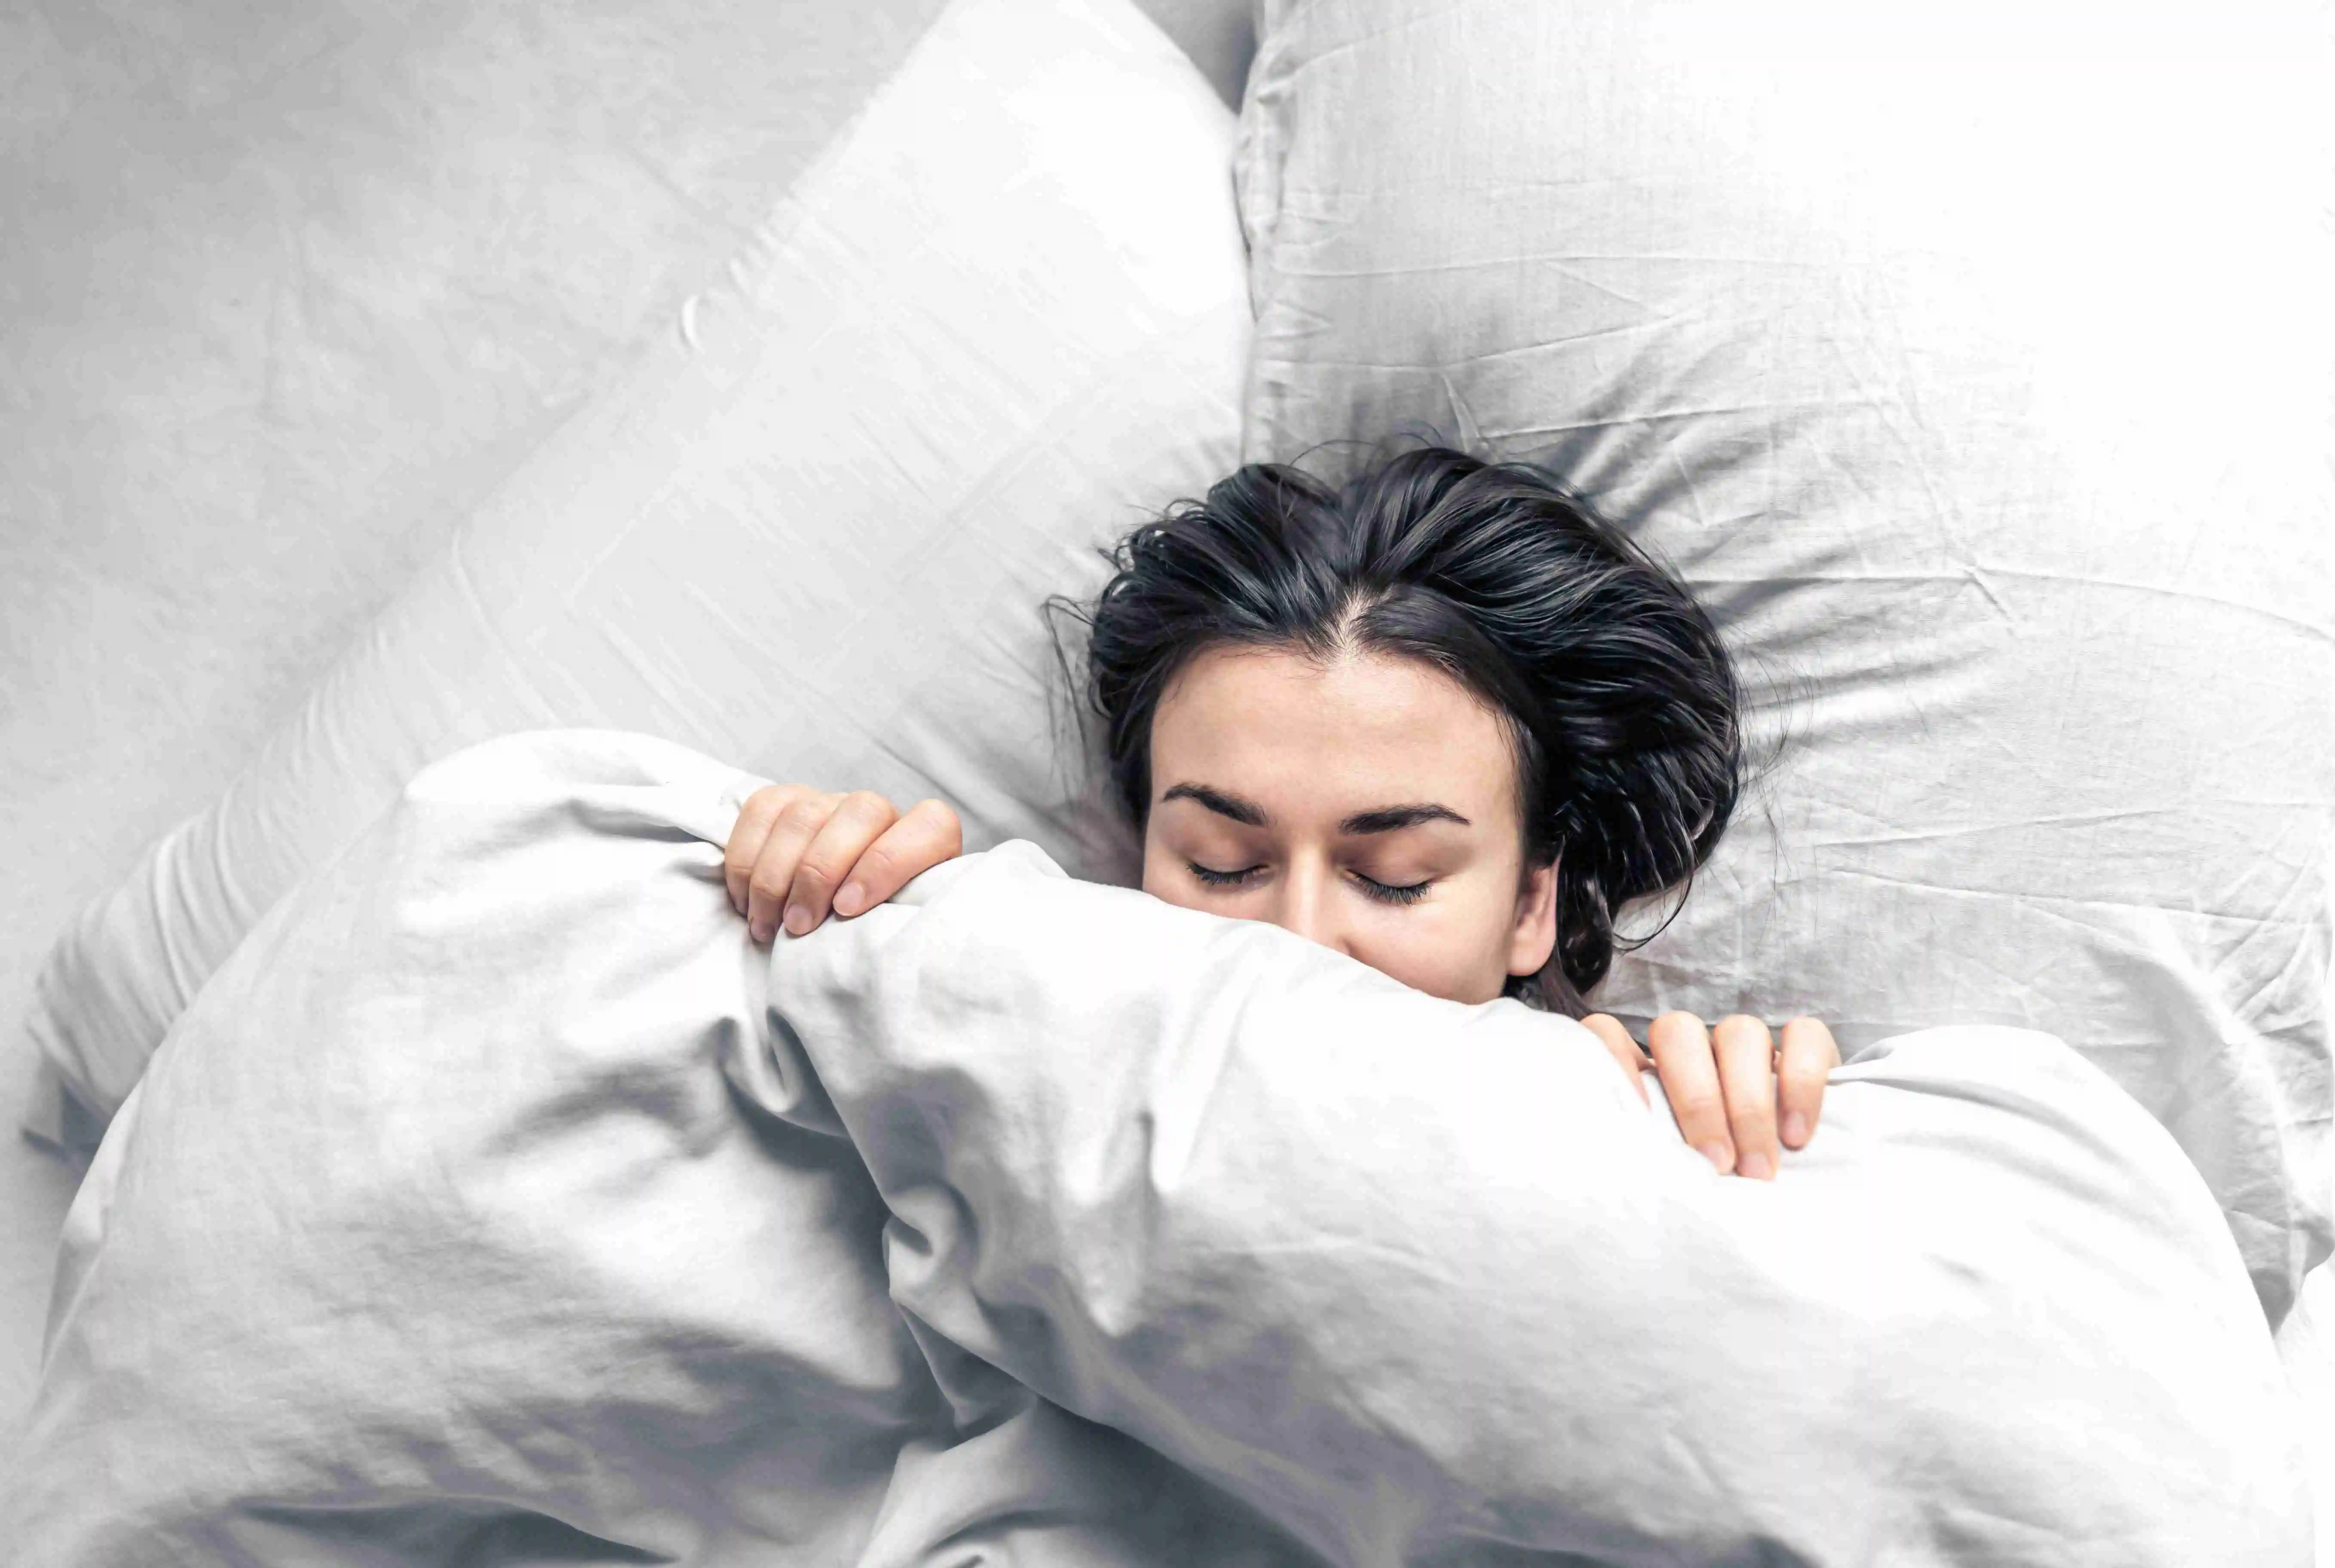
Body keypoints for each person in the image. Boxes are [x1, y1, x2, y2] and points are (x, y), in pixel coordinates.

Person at [722, 443, 1839, 1181]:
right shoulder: (1020, 1032)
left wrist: (1755, 1135)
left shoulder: (1621, 1144)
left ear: (1530, 904)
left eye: (1395, 874)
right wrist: (843, 923)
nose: (1295, 944)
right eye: (1217, 862)